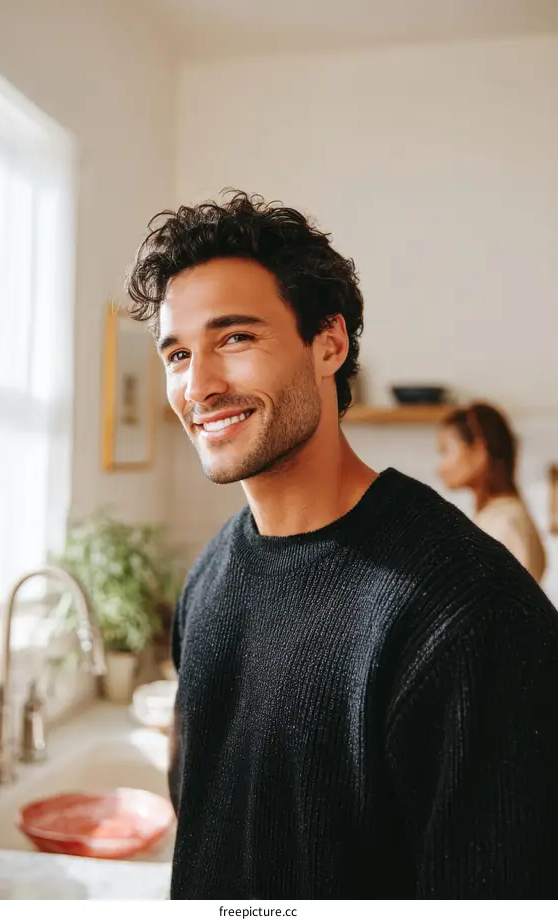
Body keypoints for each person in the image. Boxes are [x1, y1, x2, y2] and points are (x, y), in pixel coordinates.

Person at [126, 191, 558, 899]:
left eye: (235, 338)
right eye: (178, 353)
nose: (198, 385)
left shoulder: (471, 614)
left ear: (328, 343)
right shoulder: (208, 578)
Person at [437, 403, 546, 583]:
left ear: (480, 451)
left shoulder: (505, 523)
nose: (440, 468)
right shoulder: (498, 516)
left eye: (445, 451)